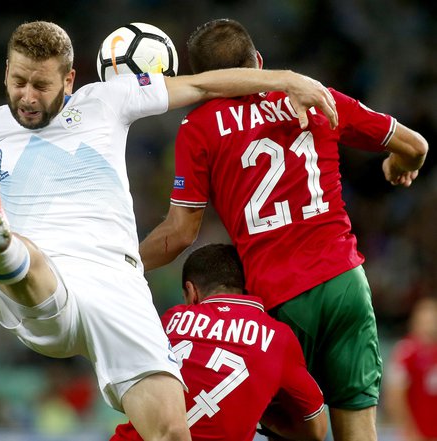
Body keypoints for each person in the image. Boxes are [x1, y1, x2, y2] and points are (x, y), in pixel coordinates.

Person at [0, 21, 339, 441]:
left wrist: (285, 78)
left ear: (70, 79)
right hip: (48, 279)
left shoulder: (106, 101)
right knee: (22, 257)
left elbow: (204, 84)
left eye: (42, 85)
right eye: (19, 81)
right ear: (6, 72)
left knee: (171, 427)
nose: (27, 95)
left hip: (118, 285)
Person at [138, 19, 428, 441]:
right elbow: (416, 145)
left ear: (205, 81)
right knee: (360, 430)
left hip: (280, 297)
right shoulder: (313, 97)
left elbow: (179, 233)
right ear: (258, 62)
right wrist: (400, 165)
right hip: (347, 282)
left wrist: (123, 262)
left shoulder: (198, 128)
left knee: (295, 431)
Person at [111, 243, 327, 441]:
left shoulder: (170, 320)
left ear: (191, 291)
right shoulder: (278, 337)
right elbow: (317, 429)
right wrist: (261, 414)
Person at [384, 297, 437, 441]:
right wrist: (407, 429)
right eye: (425, 319)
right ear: (415, 321)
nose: (429, 325)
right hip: (415, 434)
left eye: (432, 319)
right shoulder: (405, 351)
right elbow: (394, 394)